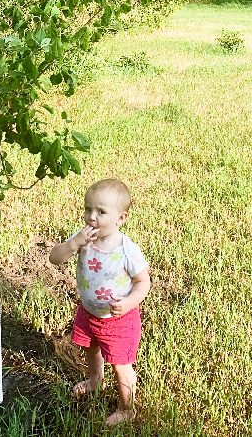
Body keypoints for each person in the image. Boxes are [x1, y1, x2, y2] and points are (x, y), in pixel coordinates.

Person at [49, 178, 151, 427]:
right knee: (91, 350)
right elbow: (54, 258)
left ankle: (127, 408)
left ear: (121, 218)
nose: (91, 217)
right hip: (89, 313)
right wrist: (73, 244)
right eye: (88, 209)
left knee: (121, 365)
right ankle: (95, 381)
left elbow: (143, 283)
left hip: (118, 320)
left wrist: (128, 303)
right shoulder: (83, 239)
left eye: (101, 212)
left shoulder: (127, 250)